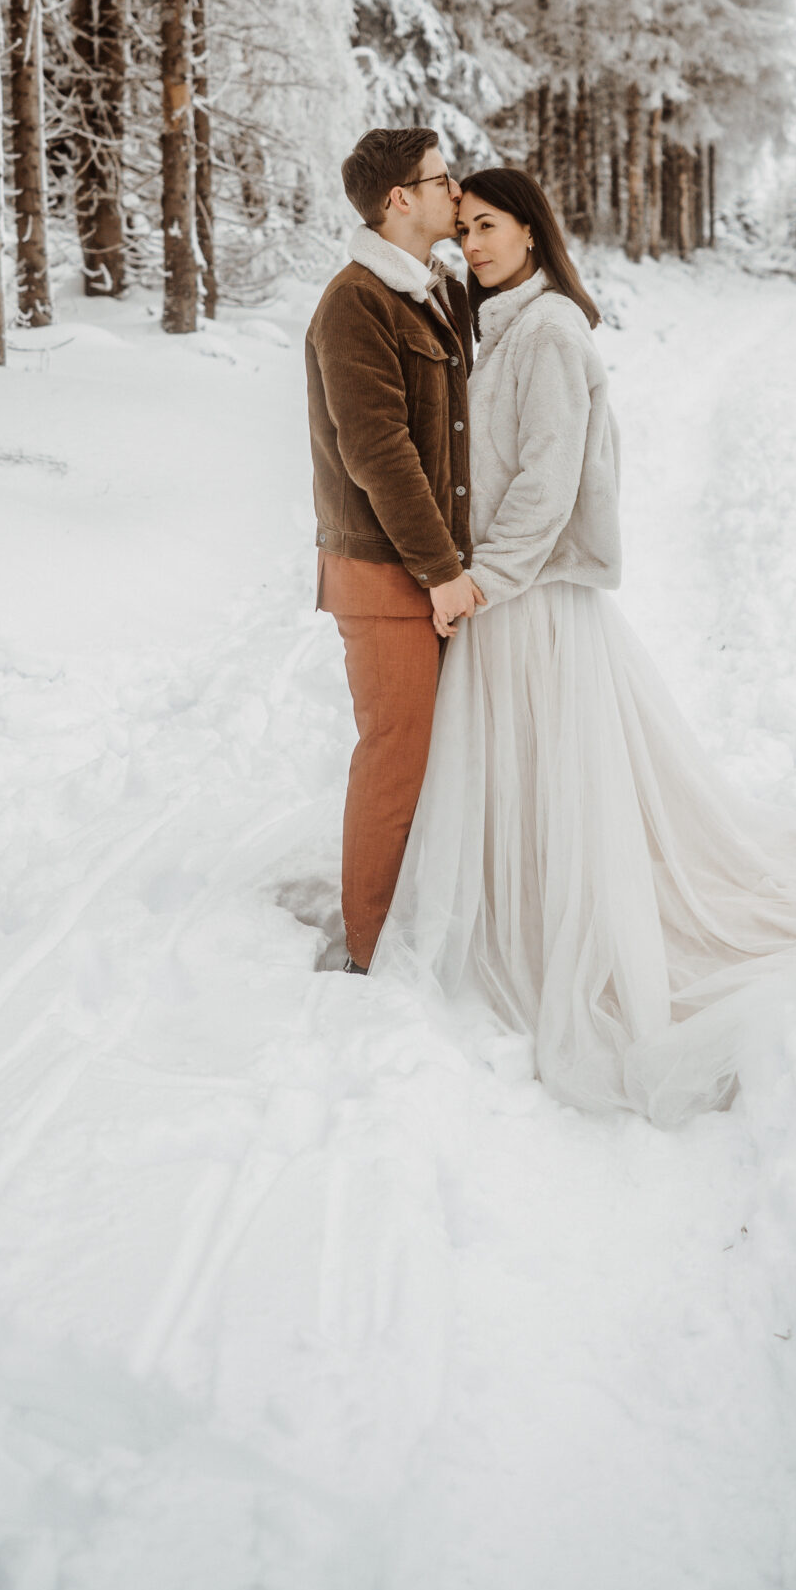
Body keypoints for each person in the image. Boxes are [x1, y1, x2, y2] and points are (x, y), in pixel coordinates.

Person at [372, 165, 796, 1124]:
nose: (475, 244)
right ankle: (522, 902)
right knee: (531, 779)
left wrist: (483, 581)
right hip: (502, 595)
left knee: (554, 777)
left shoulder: (547, 330)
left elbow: (547, 481)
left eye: (491, 225)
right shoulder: (496, 320)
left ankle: (570, 928)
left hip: (529, 599)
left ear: (534, 232)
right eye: (463, 230)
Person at [305, 129, 485, 974]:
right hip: (386, 574)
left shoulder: (433, 292)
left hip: (432, 567)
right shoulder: (356, 303)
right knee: (396, 757)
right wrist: (441, 572)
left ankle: (427, 915)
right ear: (397, 201)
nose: (458, 192)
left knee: (438, 755)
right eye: (442, 180)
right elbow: (376, 452)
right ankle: (370, 950)